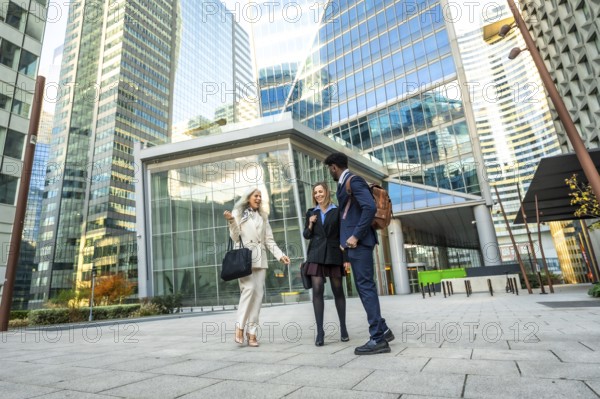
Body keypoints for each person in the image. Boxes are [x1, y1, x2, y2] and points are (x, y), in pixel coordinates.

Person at [323, 152, 394, 355]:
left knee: (365, 288)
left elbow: (369, 207)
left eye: (330, 169)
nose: (331, 173)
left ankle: (378, 339)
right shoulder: (346, 183)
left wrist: (355, 236)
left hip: (360, 244)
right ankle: (383, 330)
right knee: (365, 287)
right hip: (355, 245)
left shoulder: (353, 181)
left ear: (334, 167)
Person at [223, 188, 290, 347]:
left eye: (260, 196)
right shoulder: (238, 213)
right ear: (248, 198)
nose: (259, 198)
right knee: (249, 290)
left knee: (258, 296)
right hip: (244, 259)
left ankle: (252, 332)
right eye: (256, 196)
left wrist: (280, 255)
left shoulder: (263, 217)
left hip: (261, 260)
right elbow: (234, 236)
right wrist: (232, 221)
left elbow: (269, 240)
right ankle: (239, 327)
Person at [303, 182, 349, 346]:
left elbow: (343, 235)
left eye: (320, 192)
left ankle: (343, 328)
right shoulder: (311, 212)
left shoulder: (337, 211)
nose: (318, 195)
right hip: (316, 254)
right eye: (315, 193)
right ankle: (320, 332)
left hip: (334, 253)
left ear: (326, 192)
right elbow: (306, 235)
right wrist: (310, 223)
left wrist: (346, 259)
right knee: (317, 289)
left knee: (338, 290)